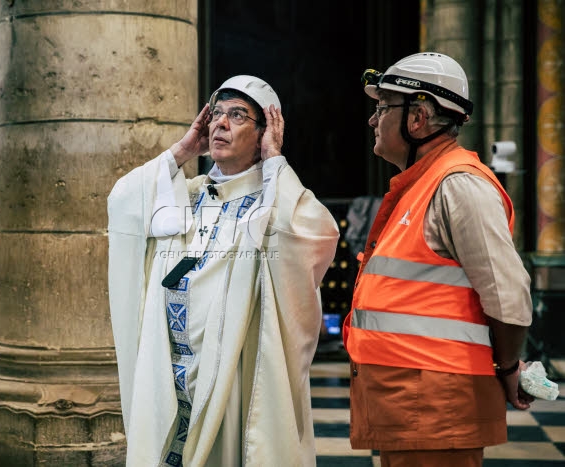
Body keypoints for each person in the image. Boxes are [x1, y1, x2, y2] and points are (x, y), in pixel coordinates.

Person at [108, 75, 339, 466]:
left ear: (265, 132)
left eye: (237, 115)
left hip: (234, 377)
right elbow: (123, 204)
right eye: (216, 114)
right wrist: (182, 150)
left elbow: (312, 233)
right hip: (172, 369)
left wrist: (274, 162)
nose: (220, 124)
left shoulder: (271, 204)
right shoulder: (189, 193)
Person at [343, 52, 533, 466]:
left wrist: (508, 367)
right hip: (411, 408)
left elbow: (509, 295)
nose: (373, 120)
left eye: (383, 108)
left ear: (418, 118)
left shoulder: (459, 185)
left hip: (436, 410)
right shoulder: (420, 184)